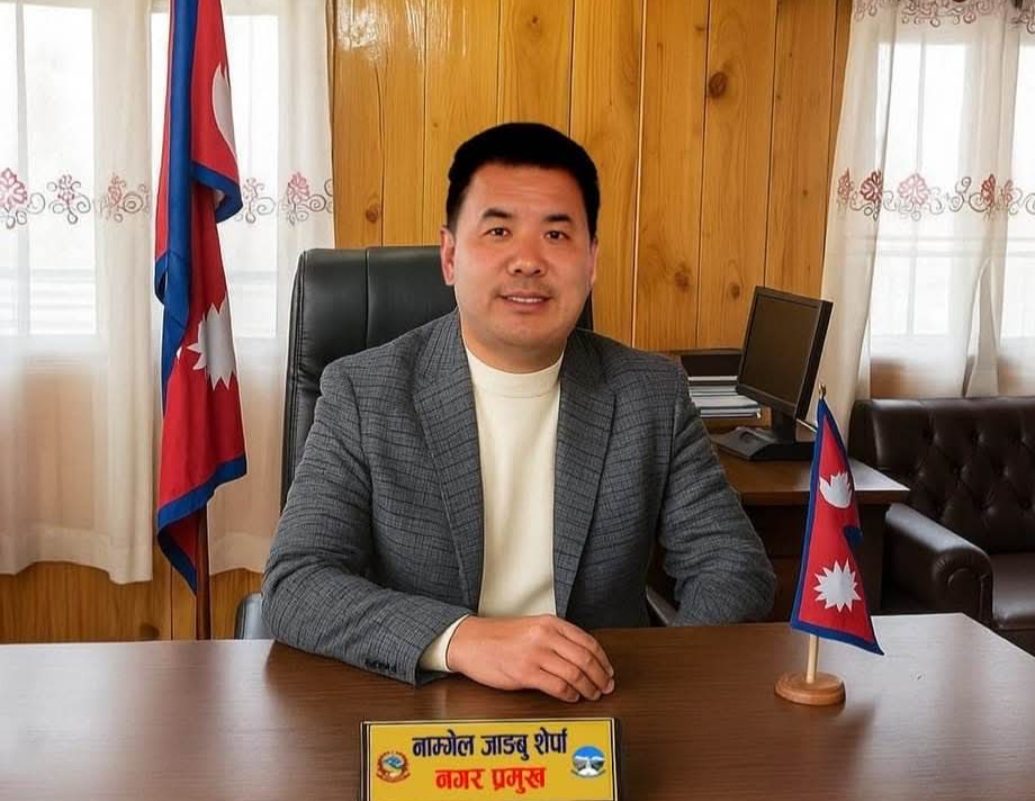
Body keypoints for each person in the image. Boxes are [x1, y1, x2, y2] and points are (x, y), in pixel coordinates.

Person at [263, 122, 775, 703]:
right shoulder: (365, 392)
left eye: (556, 235)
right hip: (421, 706)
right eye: (499, 230)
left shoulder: (650, 393)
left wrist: (653, 689)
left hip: (593, 705)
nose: (527, 261)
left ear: (591, 261)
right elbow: (296, 583)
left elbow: (732, 567)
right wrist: (461, 639)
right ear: (450, 256)